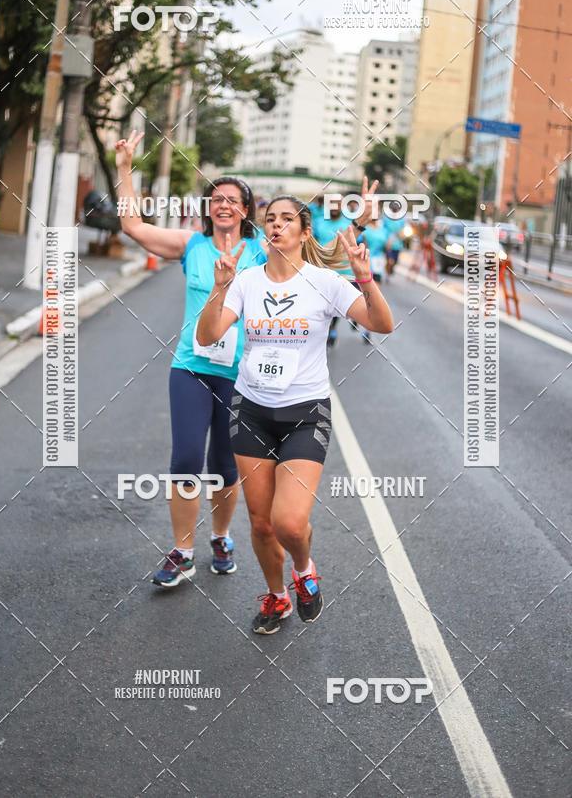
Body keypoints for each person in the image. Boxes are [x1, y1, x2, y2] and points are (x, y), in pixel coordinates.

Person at [196, 196, 393, 634]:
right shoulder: (246, 281)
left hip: (305, 413)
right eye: (271, 220)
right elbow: (207, 335)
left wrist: (364, 279)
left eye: (287, 219)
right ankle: (277, 595)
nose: (277, 226)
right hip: (251, 410)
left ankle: (304, 571)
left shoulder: (325, 282)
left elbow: (382, 324)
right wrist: (220, 288)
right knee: (262, 524)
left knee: (288, 521)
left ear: (305, 232)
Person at [114, 130, 266, 588]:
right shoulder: (191, 246)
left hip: (240, 374)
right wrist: (124, 169)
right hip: (191, 367)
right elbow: (132, 227)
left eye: (233, 200)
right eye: (216, 199)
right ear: (207, 208)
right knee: (185, 460)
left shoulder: (263, 252)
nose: (223, 205)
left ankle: (220, 537)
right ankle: (183, 550)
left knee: (225, 466)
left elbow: (318, 259)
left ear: (246, 208)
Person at [312, 178, 378, 346]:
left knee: (355, 303)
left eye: (337, 203)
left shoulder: (349, 224)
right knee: (329, 307)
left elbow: (362, 241)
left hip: (349, 273)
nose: (334, 206)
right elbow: (314, 247)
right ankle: (332, 329)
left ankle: (364, 325)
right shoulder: (318, 223)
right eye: (331, 203)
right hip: (326, 273)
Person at [382, 202, 406, 277]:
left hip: (397, 244)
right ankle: (387, 271)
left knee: (395, 261)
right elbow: (383, 229)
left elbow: (403, 230)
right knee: (390, 261)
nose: (395, 209)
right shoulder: (386, 218)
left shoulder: (401, 219)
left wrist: (402, 235)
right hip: (388, 243)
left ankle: (389, 270)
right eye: (394, 207)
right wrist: (386, 240)